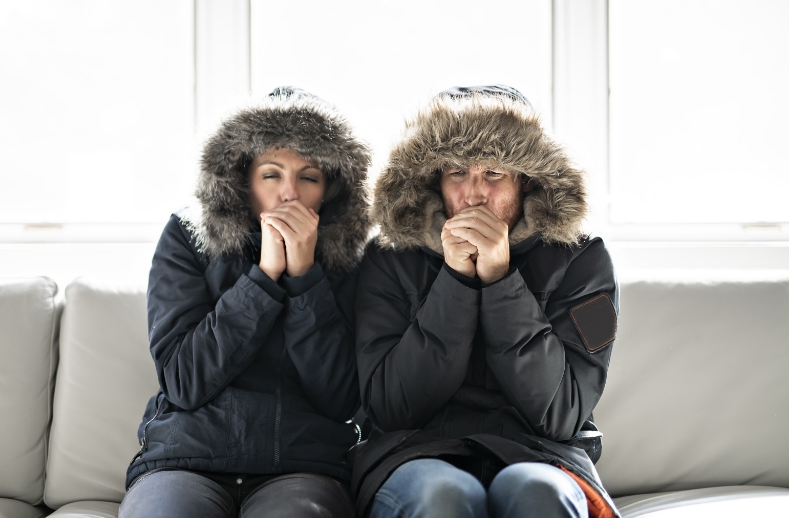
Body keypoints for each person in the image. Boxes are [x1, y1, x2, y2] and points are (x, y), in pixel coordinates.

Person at [351, 85, 620, 518]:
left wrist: (500, 281)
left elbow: (562, 413)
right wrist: (455, 281)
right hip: (413, 453)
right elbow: (392, 408)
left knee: (537, 493)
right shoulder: (387, 259)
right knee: (443, 497)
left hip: (542, 453)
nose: (474, 194)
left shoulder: (585, 261)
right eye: (457, 173)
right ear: (434, 182)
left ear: (526, 180)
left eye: (494, 174)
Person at [120, 87, 371, 518]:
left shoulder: (354, 258)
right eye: (271, 175)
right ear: (242, 180)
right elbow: (184, 380)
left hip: (302, 468)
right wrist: (263, 278)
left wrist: (305, 277)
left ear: (329, 192)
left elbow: (341, 397)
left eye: (308, 177)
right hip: (185, 462)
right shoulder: (187, 237)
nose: (288, 194)